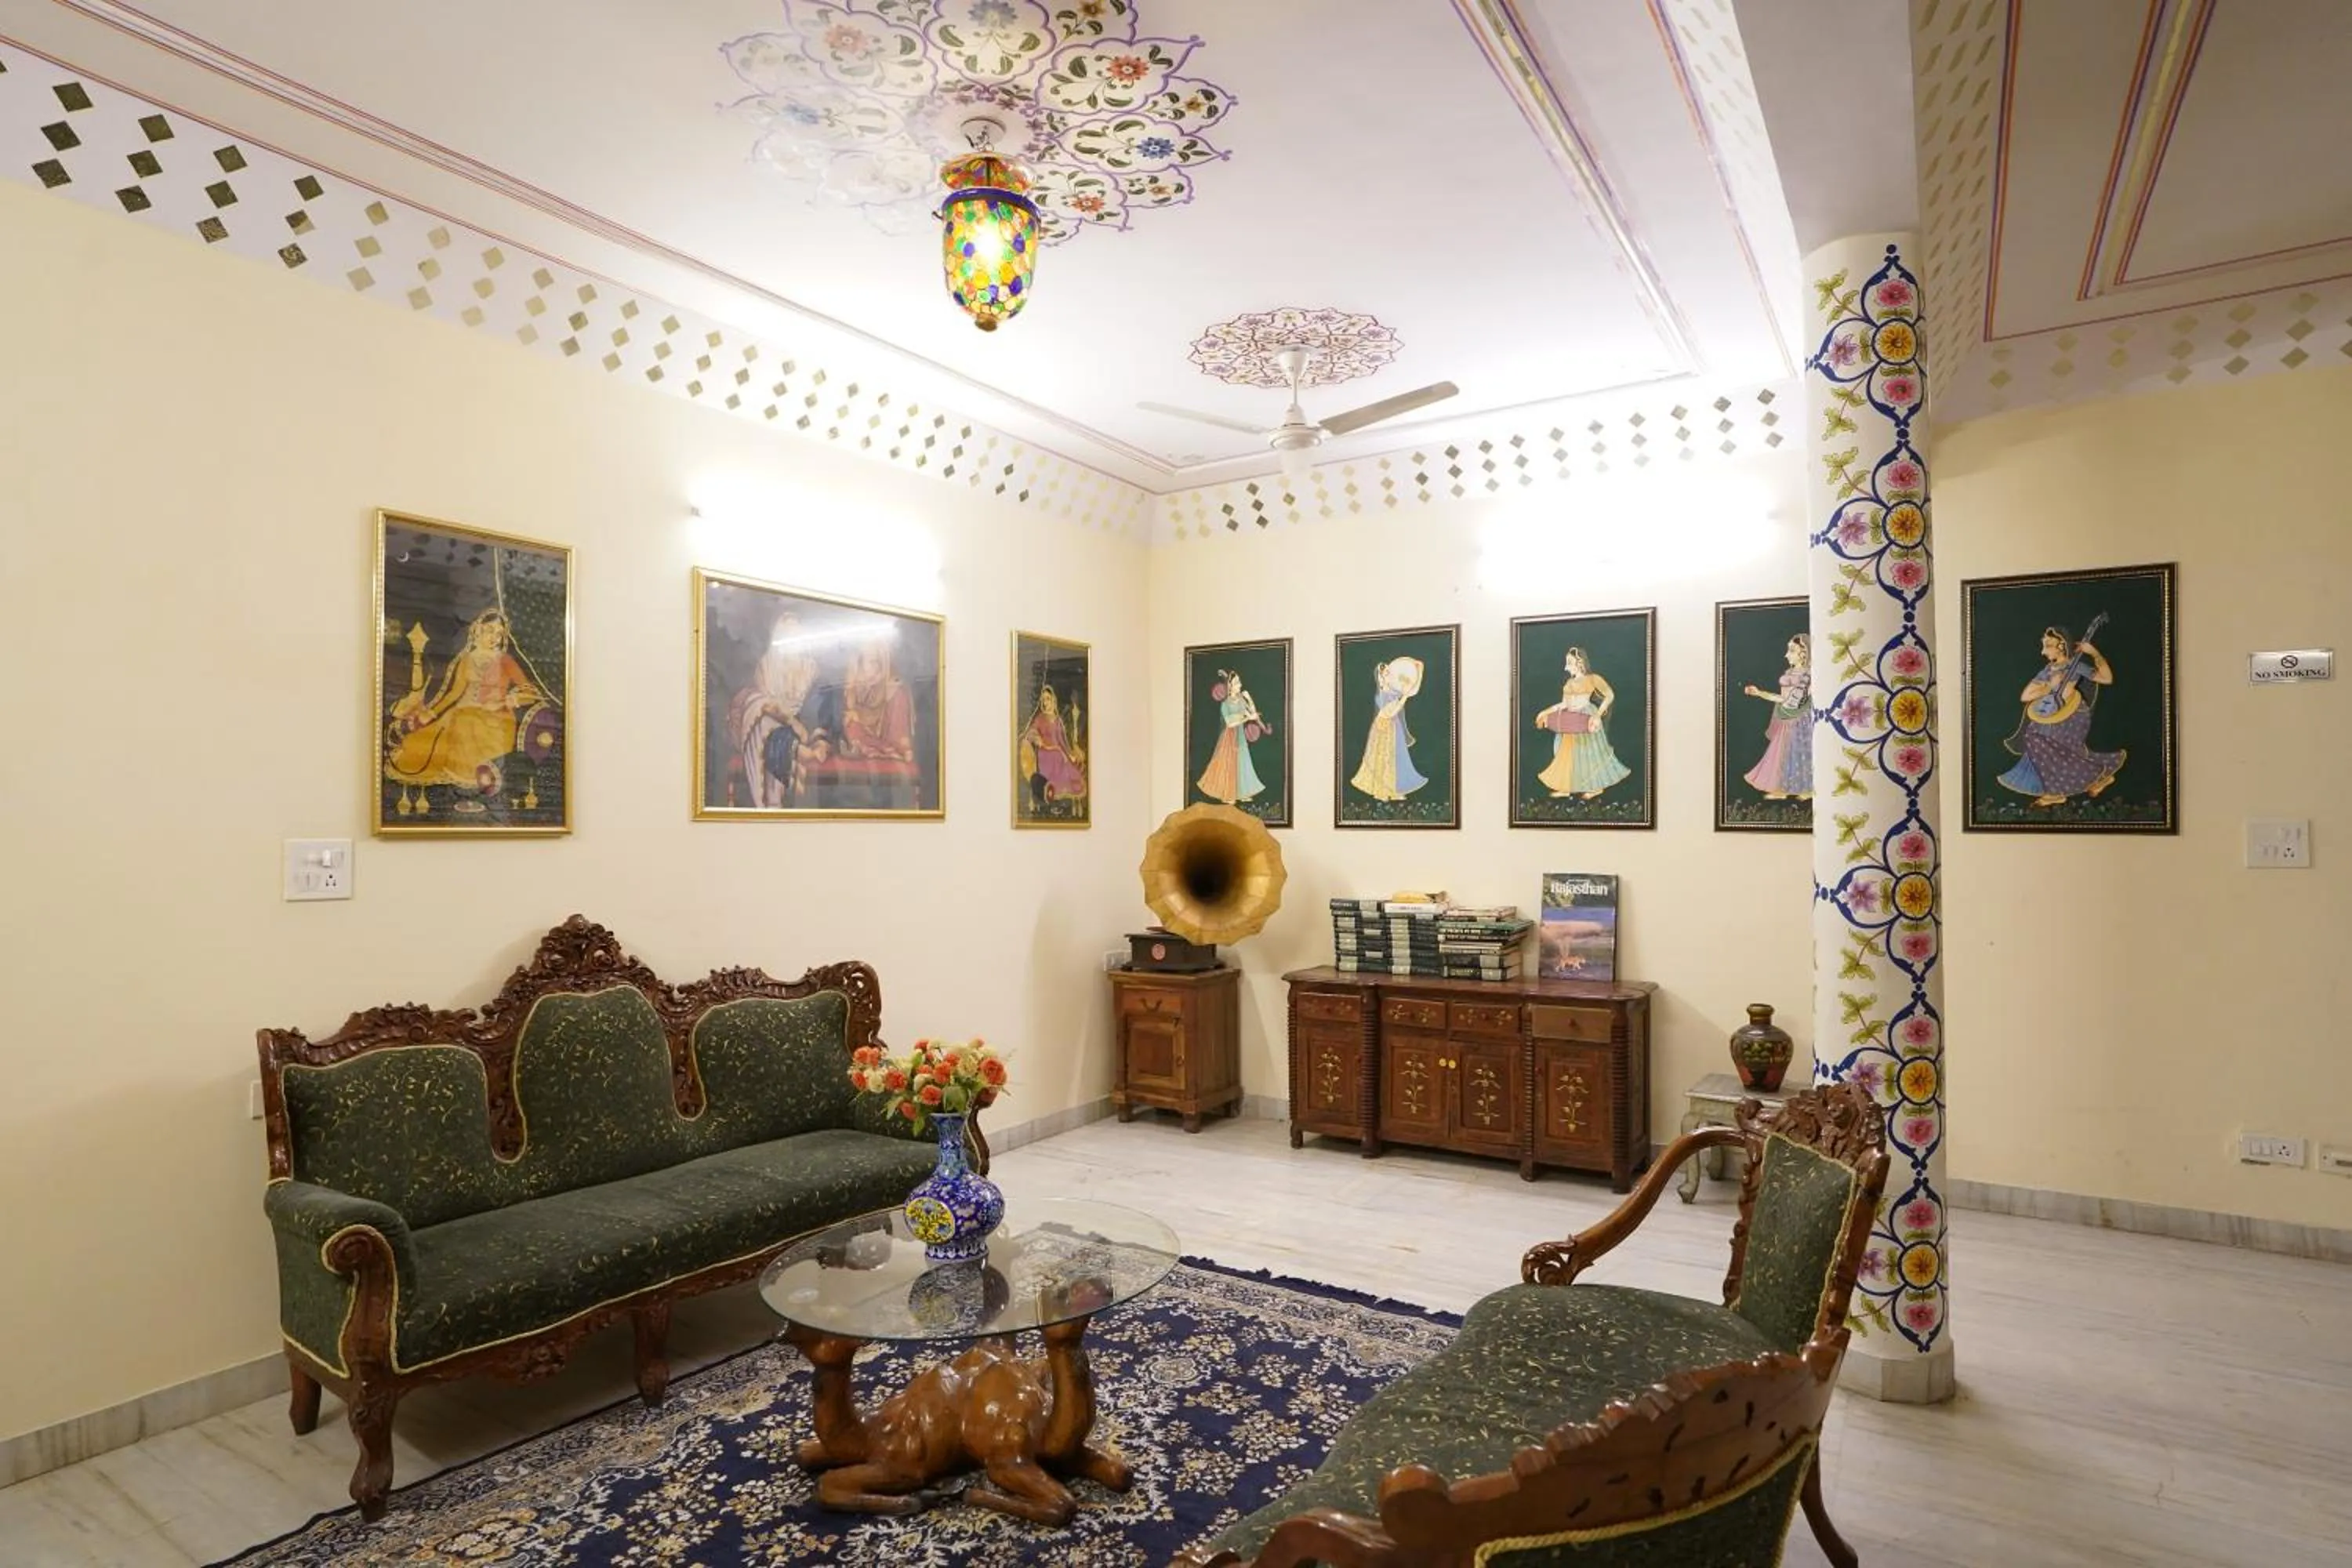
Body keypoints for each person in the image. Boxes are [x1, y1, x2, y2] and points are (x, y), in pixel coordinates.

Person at [385, 608, 539, 815]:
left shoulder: (505, 661)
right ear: (476, 631)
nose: (493, 637)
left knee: (465, 723)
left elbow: (532, 692)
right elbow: (454, 694)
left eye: (498, 634)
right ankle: (464, 795)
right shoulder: (467, 659)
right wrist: (430, 713)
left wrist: (508, 701)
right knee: (427, 737)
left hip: (497, 720)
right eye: (489, 631)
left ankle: (475, 792)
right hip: (463, 713)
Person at [1999, 624, 2125, 807]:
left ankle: (2058, 791)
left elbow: (2107, 679)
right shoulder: (2048, 671)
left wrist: (2094, 654)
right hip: (2052, 714)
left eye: (2047, 645)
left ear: (2061, 646)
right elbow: (2025, 696)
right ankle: (2097, 778)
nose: (2043, 652)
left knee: (2038, 739)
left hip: (2073, 716)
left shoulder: (2076, 666)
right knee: (2036, 736)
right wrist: (2049, 686)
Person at [726, 609, 823, 808]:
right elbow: (768, 706)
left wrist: (798, 725)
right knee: (763, 716)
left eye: (796, 636)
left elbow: (814, 712)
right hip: (773, 728)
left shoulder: (811, 668)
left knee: (770, 723)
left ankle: (793, 755)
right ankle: (768, 800)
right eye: (787, 636)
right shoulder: (766, 666)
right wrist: (790, 721)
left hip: (804, 730)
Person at [1534, 647, 1632, 799]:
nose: (1566, 667)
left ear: (1580, 663)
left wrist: (1598, 715)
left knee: (1588, 754)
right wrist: (1545, 712)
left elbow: (1609, 695)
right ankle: (1566, 788)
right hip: (1569, 720)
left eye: (1569, 663)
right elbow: (1563, 704)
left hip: (1586, 719)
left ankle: (1595, 788)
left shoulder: (1593, 679)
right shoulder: (1569, 683)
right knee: (1566, 753)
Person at [1741, 633, 1814, 800]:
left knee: (1801, 752)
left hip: (1801, 719)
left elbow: (1807, 699)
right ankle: (1782, 789)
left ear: (1804, 654)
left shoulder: (1810, 675)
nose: (1787, 655)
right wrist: (1759, 693)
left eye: (1792, 651)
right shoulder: (1789, 672)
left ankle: (1808, 789)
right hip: (1787, 716)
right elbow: (1783, 699)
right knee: (1782, 753)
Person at [1350, 655, 1428, 801]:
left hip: (1392, 729)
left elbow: (1413, 689)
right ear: (1381, 678)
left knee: (1395, 759)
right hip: (1384, 730)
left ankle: (1392, 791)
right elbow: (1393, 711)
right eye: (1386, 674)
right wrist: (1405, 696)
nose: (1389, 676)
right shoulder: (1382, 696)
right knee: (1385, 758)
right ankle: (1383, 791)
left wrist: (1419, 670)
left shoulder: (1392, 692)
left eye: (1389, 673)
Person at [1195, 668, 1269, 804]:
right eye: (1237, 683)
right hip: (1229, 738)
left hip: (1240, 737)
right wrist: (1247, 718)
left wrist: (1249, 698)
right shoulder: (1225, 704)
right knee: (1229, 763)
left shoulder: (1241, 700)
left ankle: (1242, 792)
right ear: (1231, 686)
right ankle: (1229, 794)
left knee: (1242, 761)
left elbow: (1252, 712)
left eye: (1239, 682)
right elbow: (1230, 723)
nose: (1240, 685)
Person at [840, 636, 915, 761]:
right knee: (850, 724)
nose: (875, 667)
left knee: (899, 695)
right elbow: (850, 706)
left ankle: (886, 751)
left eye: (877, 662)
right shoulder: (855, 678)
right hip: (863, 731)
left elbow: (899, 732)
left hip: (887, 735)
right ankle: (870, 749)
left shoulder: (893, 688)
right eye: (870, 661)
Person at [1019, 684, 1087, 809]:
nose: (1045, 702)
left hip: (1059, 751)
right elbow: (1031, 731)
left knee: (1069, 763)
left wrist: (1069, 754)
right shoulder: (1040, 718)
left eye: (1048, 699)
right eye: (1043, 700)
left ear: (1053, 700)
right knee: (1058, 756)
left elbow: (1062, 741)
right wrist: (1036, 738)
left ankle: (1062, 795)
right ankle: (1052, 791)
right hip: (1045, 752)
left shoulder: (1058, 720)